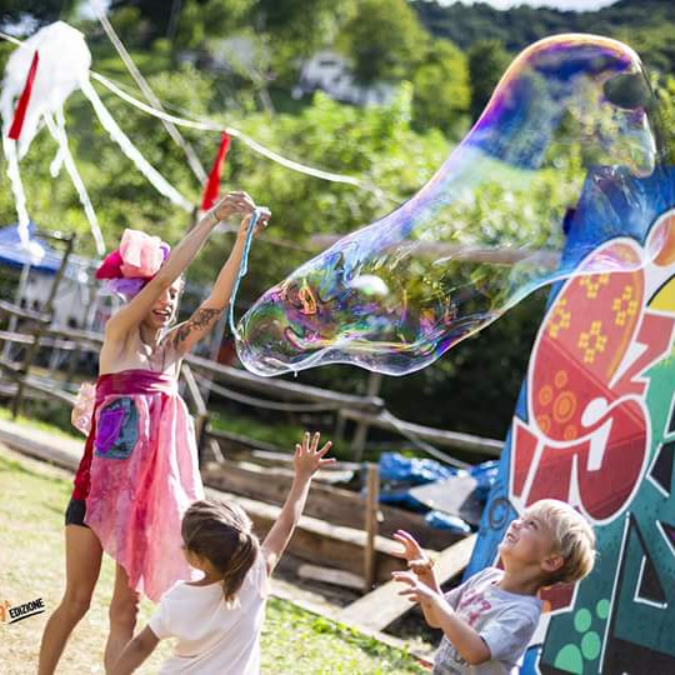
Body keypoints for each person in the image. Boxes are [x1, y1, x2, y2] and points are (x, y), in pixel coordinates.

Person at [38, 192, 271, 675]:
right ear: (138, 295)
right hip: (92, 495)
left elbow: (217, 301)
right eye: (162, 294)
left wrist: (242, 240)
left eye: (174, 294)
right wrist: (214, 220)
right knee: (77, 601)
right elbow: (163, 274)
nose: (169, 301)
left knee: (124, 612)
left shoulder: (173, 352)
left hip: (141, 506)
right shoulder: (119, 336)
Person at [110, 431, 334, 675]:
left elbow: (142, 644)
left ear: (200, 558)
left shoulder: (179, 598)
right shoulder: (255, 576)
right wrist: (303, 477)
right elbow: (286, 523)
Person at [393, 499, 596, 675]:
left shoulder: (522, 613)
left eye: (531, 524)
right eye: (521, 518)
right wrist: (426, 575)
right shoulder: (486, 577)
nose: (516, 523)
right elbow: (437, 618)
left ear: (551, 561)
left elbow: (475, 652)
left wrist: (435, 600)